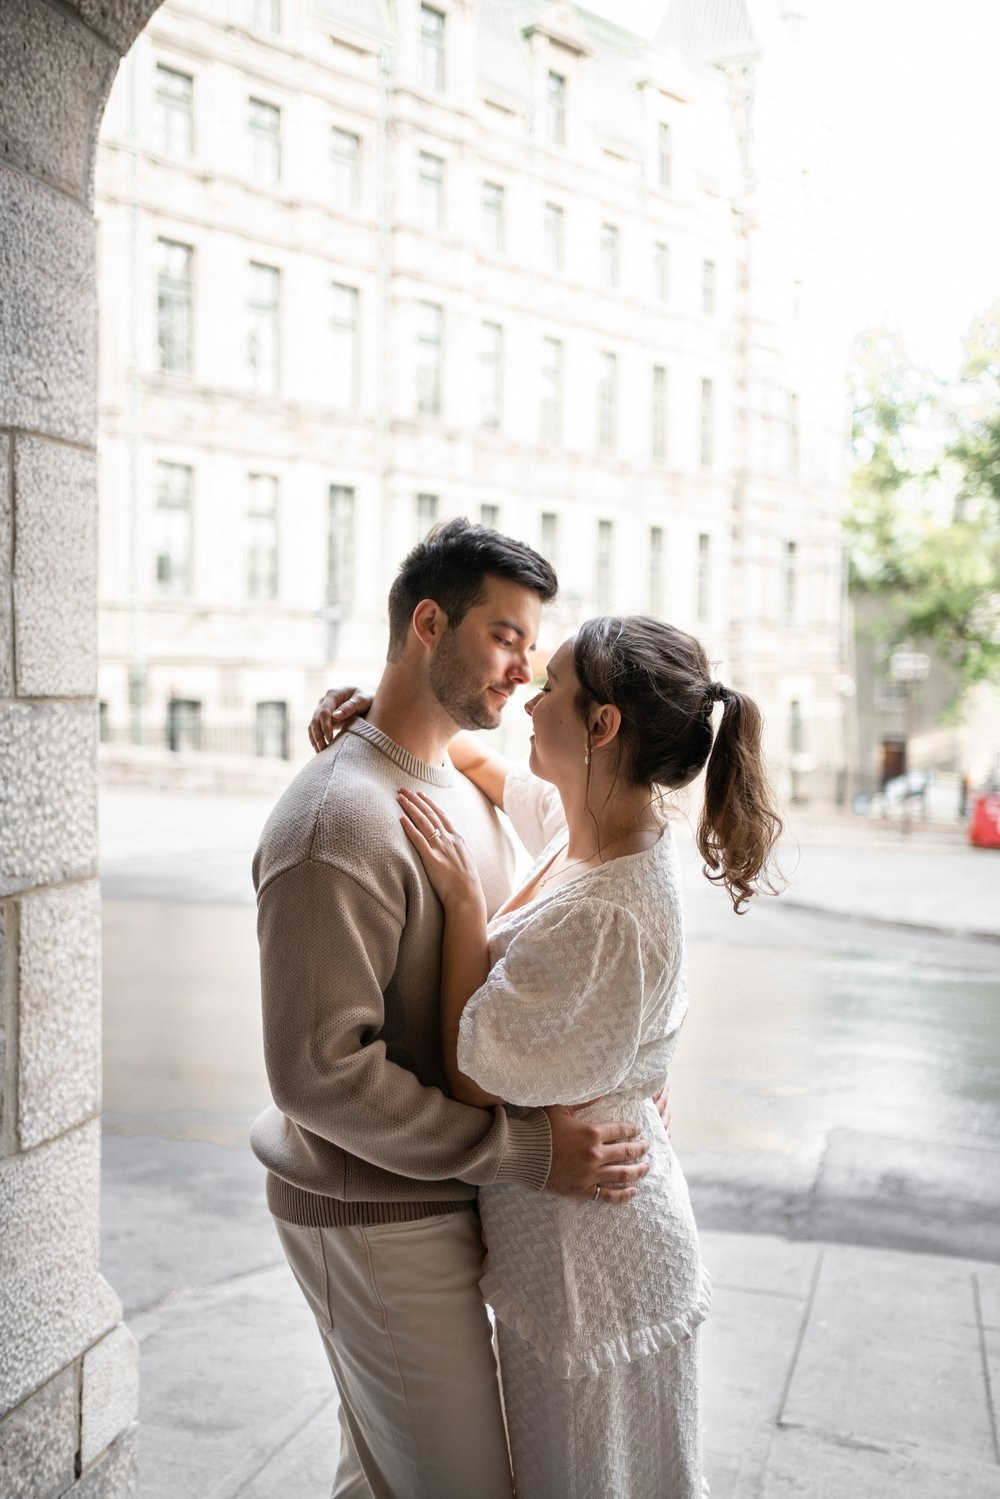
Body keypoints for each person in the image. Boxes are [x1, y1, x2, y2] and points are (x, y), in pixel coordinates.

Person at [251, 520, 654, 1499]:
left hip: (435, 1201)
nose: (523, 670)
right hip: (371, 1217)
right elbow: (317, 1073)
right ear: (429, 622)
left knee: (391, 1477)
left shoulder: (450, 782)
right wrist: (523, 1151)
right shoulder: (332, 824)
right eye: (506, 636)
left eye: (533, 646)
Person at [388, 615, 783, 1499]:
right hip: (581, 1251)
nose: (530, 696)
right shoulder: (595, 827)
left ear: (602, 726)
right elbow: (485, 766)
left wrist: (460, 901)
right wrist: (374, 719)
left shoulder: (608, 906)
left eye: (552, 685)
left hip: (594, 1272)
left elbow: (472, 1072)